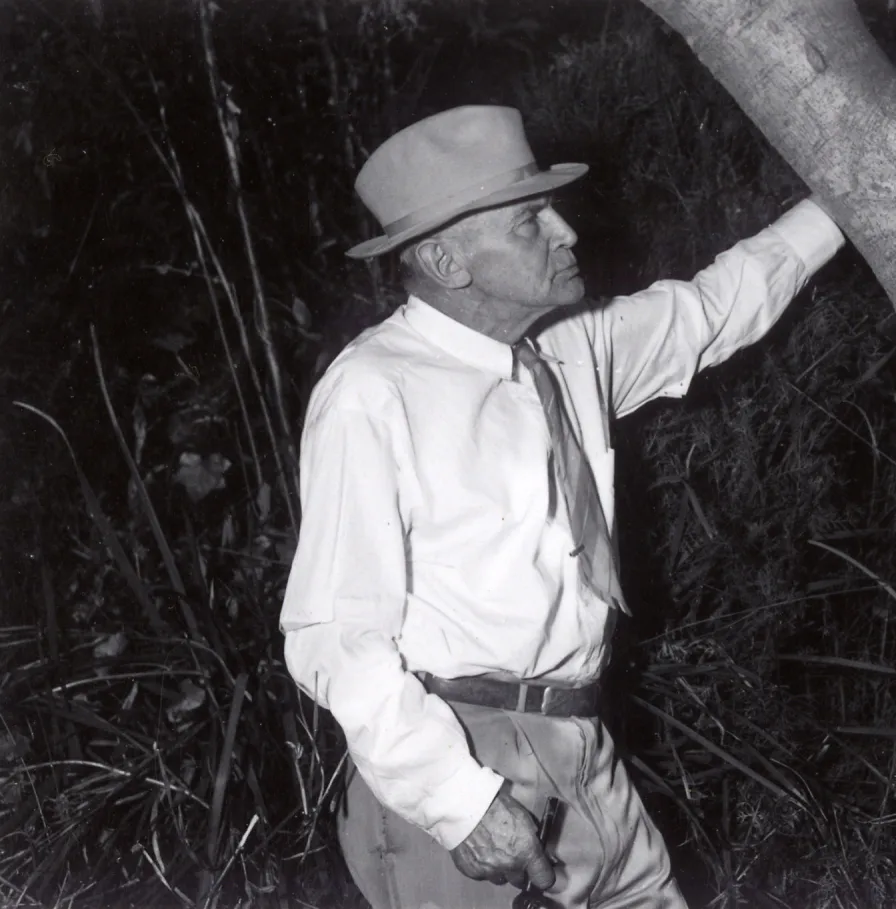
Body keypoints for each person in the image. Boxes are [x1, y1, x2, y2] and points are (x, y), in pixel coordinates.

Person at [279, 105, 844, 909]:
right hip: (463, 755)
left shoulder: (570, 349)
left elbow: (713, 309)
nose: (566, 232)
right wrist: (460, 802)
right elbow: (335, 634)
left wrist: (848, 200)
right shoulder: (373, 391)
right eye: (528, 220)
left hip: (588, 745)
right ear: (446, 259)